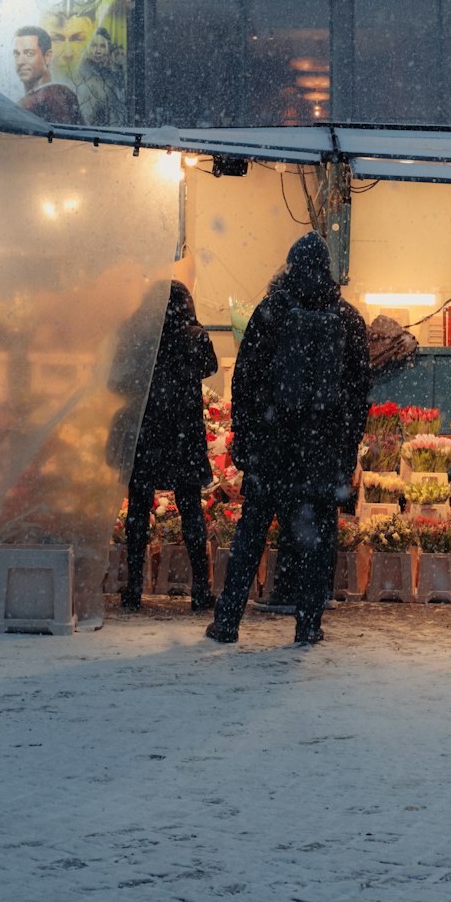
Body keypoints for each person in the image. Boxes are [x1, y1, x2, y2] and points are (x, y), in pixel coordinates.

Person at [207, 232, 370, 647]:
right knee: (318, 539)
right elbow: (357, 394)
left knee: (252, 532)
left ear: (291, 265)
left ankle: (227, 620)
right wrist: (345, 452)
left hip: (272, 446)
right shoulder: (348, 320)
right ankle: (309, 623)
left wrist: (246, 436)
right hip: (320, 451)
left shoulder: (270, 312)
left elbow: (245, 380)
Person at [113, 280, 219, 613]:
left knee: (137, 511)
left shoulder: (135, 335)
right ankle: (200, 589)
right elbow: (211, 367)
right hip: (183, 432)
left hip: (145, 431)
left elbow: (115, 382)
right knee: (190, 510)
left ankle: (133, 589)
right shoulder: (195, 337)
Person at [13, 25, 85, 125]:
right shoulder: (32, 99)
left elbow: (62, 138)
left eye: (29, 53)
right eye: (16, 54)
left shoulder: (56, 95)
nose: (20, 61)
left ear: (47, 56)